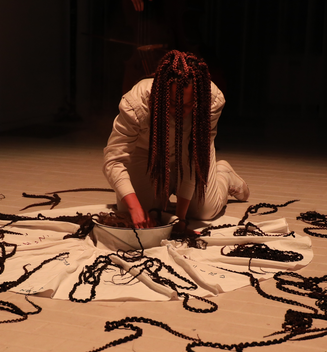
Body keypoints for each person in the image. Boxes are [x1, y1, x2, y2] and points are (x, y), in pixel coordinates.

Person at [102, 50, 249, 232]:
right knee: (134, 210)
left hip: (190, 154)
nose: (180, 112)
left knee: (204, 212)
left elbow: (193, 159)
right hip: (147, 154)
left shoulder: (211, 100)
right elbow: (113, 160)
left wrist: (181, 219)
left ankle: (223, 174)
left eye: (188, 105)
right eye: (172, 103)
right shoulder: (136, 103)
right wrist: (135, 208)